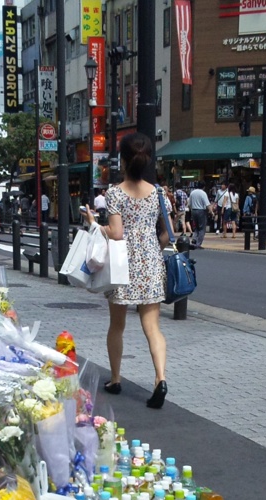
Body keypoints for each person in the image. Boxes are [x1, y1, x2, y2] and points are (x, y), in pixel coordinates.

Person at [88, 132, 169, 409]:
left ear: (123, 160)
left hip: (122, 265)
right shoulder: (158, 193)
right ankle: (160, 378)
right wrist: (151, 246)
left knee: (117, 325)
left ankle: (115, 378)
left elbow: (117, 233)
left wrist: (93, 223)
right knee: (152, 326)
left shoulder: (114, 193)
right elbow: (166, 235)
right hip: (151, 262)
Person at [188, 182, 210, 249]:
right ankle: (198, 244)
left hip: (193, 210)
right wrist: (211, 212)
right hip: (201, 211)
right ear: (203, 187)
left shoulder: (192, 192)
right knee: (202, 228)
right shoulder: (203, 193)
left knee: (196, 227)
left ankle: (194, 239)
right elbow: (207, 204)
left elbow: (189, 204)